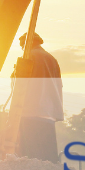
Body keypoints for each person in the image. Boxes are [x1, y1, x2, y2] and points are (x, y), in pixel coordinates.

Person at [13, 32, 64, 162]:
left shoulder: (28, 57)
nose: (23, 49)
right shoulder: (52, 59)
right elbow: (59, 86)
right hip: (49, 115)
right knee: (47, 158)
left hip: (29, 113)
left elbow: (18, 85)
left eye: (22, 46)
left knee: (28, 158)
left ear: (27, 43)